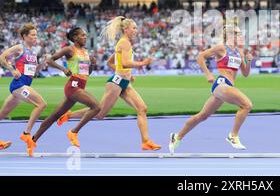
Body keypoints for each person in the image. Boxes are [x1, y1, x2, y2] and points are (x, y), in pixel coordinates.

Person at [57, 17, 161, 151]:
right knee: (100, 113)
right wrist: (143, 63)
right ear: (126, 29)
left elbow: (111, 63)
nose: (136, 30)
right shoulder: (124, 43)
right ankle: (69, 120)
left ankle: (146, 142)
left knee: (142, 108)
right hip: (116, 83)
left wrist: (128, 74)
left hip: (124, 82)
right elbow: (124, 63)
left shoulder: (125, 43)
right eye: (134, 28)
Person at [169, 22, 253, 153]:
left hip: (228, 86)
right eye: (239, 33)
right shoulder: (222, 48)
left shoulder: (240, 52)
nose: (242, 36)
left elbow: (246, 73)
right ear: (231, 34)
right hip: (221, 83)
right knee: (247, 105)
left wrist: (248, 61)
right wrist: (208, 74)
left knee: (202, 116)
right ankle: (233, 136)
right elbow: (200, 56)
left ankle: (177, 136)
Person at [28, 27, 100, 156]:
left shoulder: (85, 52)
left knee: (54, 116)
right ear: (75, 37)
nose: (85, 37)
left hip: (80, 86)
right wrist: (63, 69)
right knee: (96, 107)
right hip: (73, 86)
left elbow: (86, 73)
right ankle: (74, 132)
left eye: (85, 35)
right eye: (82, 35)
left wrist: (92, 65)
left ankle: (33, 140)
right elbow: (49, 60)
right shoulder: (69, 49)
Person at [0, 24, 47, 154]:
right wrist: (11, 70)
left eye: (36, 35)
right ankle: (26, 133)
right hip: (18, 85)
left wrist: (41, 65)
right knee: (41, 104)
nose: (35, 37)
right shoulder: (20, 48)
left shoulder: (33, 52)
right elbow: (2, 57)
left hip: (24, 85)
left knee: (2, 115)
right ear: (24, 36)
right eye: (32, 35)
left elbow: (31, 71)